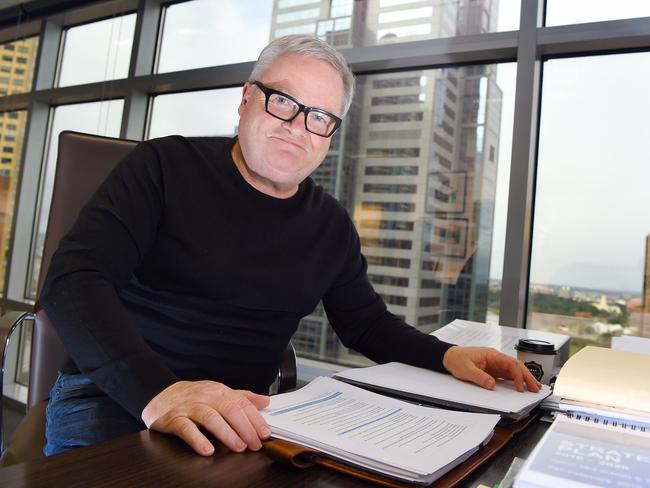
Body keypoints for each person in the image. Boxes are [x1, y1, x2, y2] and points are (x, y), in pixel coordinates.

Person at [40, 35, 539, 457]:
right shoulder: (164, 167)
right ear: (246, 98)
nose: (296, 127)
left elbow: (365, 323)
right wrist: (161, 394)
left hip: (247, 415)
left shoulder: (331, 225)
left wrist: (448, 356)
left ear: (330, 135)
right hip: (118, 397)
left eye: (319, 117)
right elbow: (74, 279)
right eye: (283, 101)